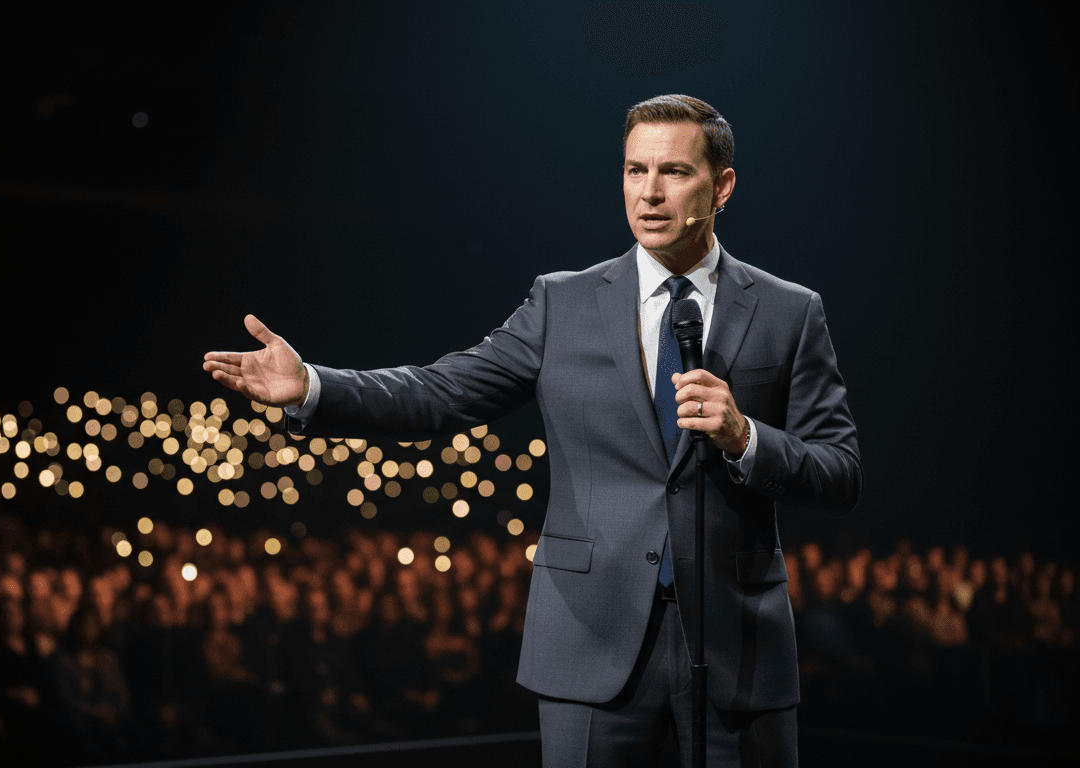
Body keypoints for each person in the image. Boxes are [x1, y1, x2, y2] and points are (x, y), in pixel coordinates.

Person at [203, 94, 861, 767]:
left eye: (674, 172)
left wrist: (745, 437)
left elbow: (840, 472)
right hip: (590, 639)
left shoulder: (788, 312)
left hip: (737, 644)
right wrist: (313, 386)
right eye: (635, 170)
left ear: (721, 187)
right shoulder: (561, 303)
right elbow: (440, 392)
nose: (649, 192)